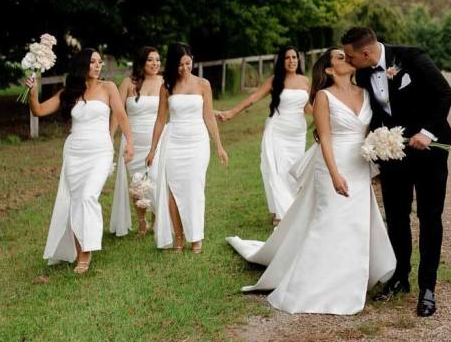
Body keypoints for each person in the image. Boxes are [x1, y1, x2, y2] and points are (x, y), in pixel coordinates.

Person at [226, 49, 395, 315]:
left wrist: (379, 150)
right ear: (328, 70)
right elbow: (325, 138)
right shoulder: (323, 97)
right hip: (331, 164)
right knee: (328, 219)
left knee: (355, 223)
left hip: (359, 165)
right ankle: (312, 284)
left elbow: (369, 130)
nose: (347, 59)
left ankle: (350, 279)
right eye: (340, 58)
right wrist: (335, 174)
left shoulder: (364, 92)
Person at [343, 27, 451, 318]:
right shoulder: (364, 73)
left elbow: (445, 93)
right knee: (395, 215)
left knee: (429, 217)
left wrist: (428, 133)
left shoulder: (412, 58)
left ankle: (427, 287)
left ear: (365, 53)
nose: (348, 61)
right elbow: (375, 113)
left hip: (430, 151)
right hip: (392, 153)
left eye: (350, 56)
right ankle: (400, 276)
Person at [29, 48, 134, 273]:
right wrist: (32, 91)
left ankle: (86, 252)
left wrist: (130, 143)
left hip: (100, 151)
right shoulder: (69, 92)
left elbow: (121, 115)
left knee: (87, 197)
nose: (97, 66)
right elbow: (37, 111)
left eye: (99, 62)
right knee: (75, 201)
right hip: (75, 153)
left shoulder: (109, 88)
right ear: (82, 65)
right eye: (93, 62)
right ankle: (80, 252)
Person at [146, 43, 228, 253]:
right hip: (173, 141)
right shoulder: (167, 86)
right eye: (180, 64)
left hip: (197, 142)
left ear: (192, 60)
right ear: (174, 65)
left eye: (188, 63)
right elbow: (160, 120)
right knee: (173, 190)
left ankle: (196, 237)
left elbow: (209, 117)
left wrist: (219, 146)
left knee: (194, 188)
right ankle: (179, 238)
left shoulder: (203, 85)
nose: (184, 68)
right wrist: (152, 149)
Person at [217, 46, 311, 223]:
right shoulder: (275, 80)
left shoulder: (305, 81)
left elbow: (306, 107)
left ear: (298, 60)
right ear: (281, 61)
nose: (291, 61)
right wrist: (232, 112)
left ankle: (291, 207)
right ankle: (280, 212)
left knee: (293, 170)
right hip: (278, 130)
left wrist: (327, 117)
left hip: (297, 132)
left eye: (294, 57)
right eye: (287, 58)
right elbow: (253, 98)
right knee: (278, 169)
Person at [110, 46, 163, 236]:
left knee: (156, 179)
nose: (155, 63)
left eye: (157, 60)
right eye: (150, 60)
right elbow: (117, 112)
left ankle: (158, 218)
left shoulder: (164, 82)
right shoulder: (127, 83)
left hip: (156, 140)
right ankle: (142, 222)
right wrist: (110, 136)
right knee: (136, 182)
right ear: (142, 62)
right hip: (132, 140)